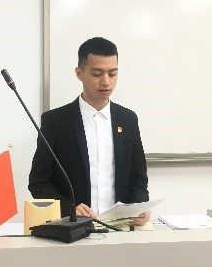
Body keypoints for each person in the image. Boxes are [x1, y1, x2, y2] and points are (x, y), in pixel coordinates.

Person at [28, 37, 150, 226]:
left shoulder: (128, 119)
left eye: (112, 73)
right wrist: (69, 209)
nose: (106, 82)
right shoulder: (55, 121)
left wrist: (138, 206)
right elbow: (39, 182)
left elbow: (138, 177)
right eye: (97, 74)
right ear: (79, 73)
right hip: (74, 229)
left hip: (121, 227)